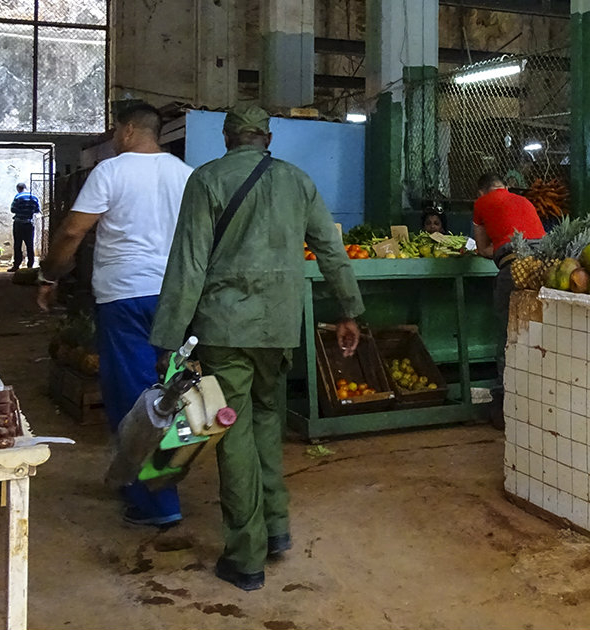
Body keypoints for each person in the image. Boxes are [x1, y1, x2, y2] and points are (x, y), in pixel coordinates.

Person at [148, 103, 364, 592]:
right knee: (268, 421)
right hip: (279, 328)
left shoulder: (206, 180)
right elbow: (331, 249)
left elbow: (189, 264)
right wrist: (349, 311)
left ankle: (245, 558)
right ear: (267, 138)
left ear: (228, 137)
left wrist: (167, 339)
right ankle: (277, 528)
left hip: (225, 331)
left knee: (233, 433)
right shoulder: (297, 180)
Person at [36, 102, 194, 527]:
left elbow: (73, 230)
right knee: (171, 393)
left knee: (135, 399)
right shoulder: (184, 174)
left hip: (125, 297)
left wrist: (50, 275)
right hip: (174, 297)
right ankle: (151, 483)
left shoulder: (111, 171)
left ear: (126, 131)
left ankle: (157, 504)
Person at [472, 173, 545, 428]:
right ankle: (539, 402)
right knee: (539, 334)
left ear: (482, 192)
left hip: (513, 270)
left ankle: (505, 408)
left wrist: (494, 250)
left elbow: (483, 249)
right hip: (545, 269)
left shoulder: (481, 204)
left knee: (507, 335)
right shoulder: (524, 201)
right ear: (506, 186)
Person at [9, 183, 40, 272]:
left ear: (18, 188)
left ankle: (16, 265)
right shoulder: (34, 197)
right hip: (29, 223)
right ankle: (30, 265)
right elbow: (37, 210)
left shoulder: (18, 197)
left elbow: (13, 209)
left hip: (19, 223)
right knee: (30, 245)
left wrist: (20, 211)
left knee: (17, 244)